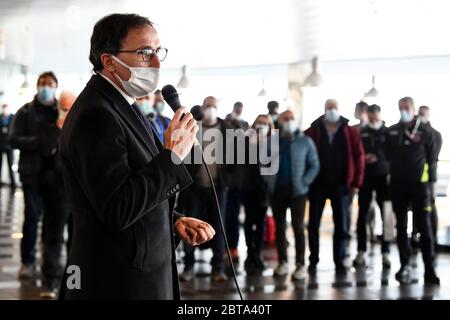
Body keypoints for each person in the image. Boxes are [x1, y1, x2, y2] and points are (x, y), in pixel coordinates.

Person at [58, 13, 214, 300]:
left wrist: (172, 220)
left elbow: (131, 183)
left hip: (138, 271)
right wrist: (171, 157)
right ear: (108, 61)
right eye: (144, 53)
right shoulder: (96, 116)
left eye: (158, 52)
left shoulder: (121, 105)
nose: (155, 63)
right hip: (116, 281)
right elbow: (117, 209)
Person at [9, 71, 70, 297]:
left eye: (51, 84)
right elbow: (13, 139)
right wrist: (38, 142)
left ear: (56, 86)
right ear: (37, 86)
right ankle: (28, 261)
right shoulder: (26, 111)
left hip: (56, 179)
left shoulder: (60, 110)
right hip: (32, 175)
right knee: (32, 219)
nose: (46, 87)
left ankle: (51, 268)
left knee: (53, 226)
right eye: (43, 84)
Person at [305, 99, 365, 274]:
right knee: (313, 224)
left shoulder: (350, 131)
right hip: (317, 185)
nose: (331, 110)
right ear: (324, 109)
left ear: (339, 109)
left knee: (342, 225)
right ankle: (313, 259)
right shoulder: (314, 130)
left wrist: (356, 183)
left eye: (334, 108)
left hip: (341, 185)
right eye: (328, 108)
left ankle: (339, 260)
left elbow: (359, 157)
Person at [385, 97, 439, 285]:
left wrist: (431, 187)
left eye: (406, 108)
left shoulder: (426, 132)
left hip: (419, 186)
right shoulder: (392, 131)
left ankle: (430, 269)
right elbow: (386, 155)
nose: (403, 111)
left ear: (413, 108)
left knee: (424, 227)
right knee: (401, 227)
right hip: (398, 185)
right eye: (400, 108)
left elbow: (432, 160)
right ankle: (404, 265)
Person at [179, 96, 232, 283]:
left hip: (218, 188)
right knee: (190, 227)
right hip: (194, 188)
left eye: (214, 106)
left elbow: (236, 159)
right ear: (202, 107)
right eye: (208, 106)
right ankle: (189, 266)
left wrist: (229, 179)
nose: (210, 109)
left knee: (219, 228)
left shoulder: (227, 129)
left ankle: (218, 267)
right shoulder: (193, 127)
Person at [267, 110, 319, 280]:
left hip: (298, 192)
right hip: (277, 191)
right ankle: (282, 262)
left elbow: (314, 164)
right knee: (280, 228)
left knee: (298, 227)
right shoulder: (272, 142)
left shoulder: (305, 141)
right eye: (285, 119)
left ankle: (300, 264)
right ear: (279, 121)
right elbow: (263, 163)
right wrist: (269, 182)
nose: (289, 121)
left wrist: (304, 182)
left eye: (291, 118)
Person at [353, 104, 391, 268]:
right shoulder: (362, 132)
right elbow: (357, 152)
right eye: (371, 113)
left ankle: (386, 252)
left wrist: (378, 157)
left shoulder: (389, 132)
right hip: (366, 178)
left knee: (387, 215)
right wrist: (364, 158)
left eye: (376, 113)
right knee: (362, 215)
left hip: (384, 178)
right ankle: (361, 250)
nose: (373, 116)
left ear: (380, 114)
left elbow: (393, 153)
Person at [240, 114, 273, 273]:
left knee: (261, 223)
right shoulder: (246, 141)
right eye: (259, 123)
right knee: (248, 221)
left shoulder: (273, 144)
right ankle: (249, 252)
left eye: (265, 123)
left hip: (264, 189)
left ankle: (257, 253)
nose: (262, 126)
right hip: (248, 187)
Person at [411, 105, 443, 250]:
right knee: (416, 208)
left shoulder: (434, 134)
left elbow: (432, 158)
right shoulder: (414, 133)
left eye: (424, 114)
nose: (421, 116)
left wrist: (431, 180)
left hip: (429, 179)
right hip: (415, 178)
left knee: (429, 207)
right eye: (420, 113)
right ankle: (415, 235)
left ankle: (432, 238)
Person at [224, 101, 249, 263]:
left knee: (234, 217)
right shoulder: (225, 123)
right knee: (226, 217)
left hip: (239, 182)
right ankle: (224, 248)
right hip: (226, 181)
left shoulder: (245, 125)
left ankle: (233, 247)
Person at [0, 103, 16, 188]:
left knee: (11, 165)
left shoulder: (12, 118)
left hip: (9, 146)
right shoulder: (0, 118)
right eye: (4, 109)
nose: (5, 110)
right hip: (1, 145)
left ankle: (13, 183)